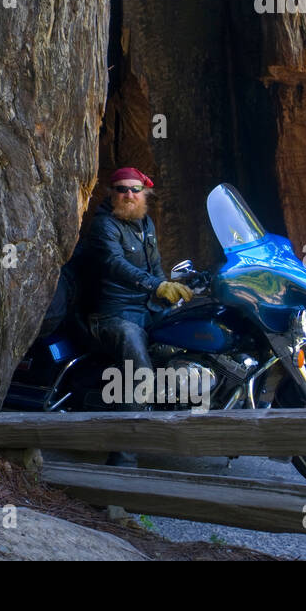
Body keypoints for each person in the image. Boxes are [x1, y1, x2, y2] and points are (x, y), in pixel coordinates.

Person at [84, 166, 193, 466]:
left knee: (190, 333)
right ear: (112, 193)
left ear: (144, 192)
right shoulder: (104, 225)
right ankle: (123, 462)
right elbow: (114, 264)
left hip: (147, 310)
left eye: (134, 189)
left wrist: (170, 293)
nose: (128, 194)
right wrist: (158, 286)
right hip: (113, 314)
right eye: (121, 189)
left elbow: (155, 266)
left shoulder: (145, 223)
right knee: (138, 368)